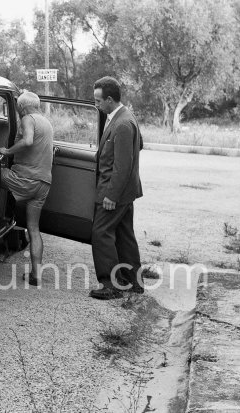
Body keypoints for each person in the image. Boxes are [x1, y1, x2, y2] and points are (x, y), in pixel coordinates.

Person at [90, 76, 143, 300]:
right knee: (124, 235)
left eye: (98, 101)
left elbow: (123, 166)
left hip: (115, 192)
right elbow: (139, 145)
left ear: (110, 100)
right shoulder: (123, 116)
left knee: (101, 233)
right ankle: (133, 282)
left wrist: (111, 195)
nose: (96, 105)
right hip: (125, 191)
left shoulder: (122, 123)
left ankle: (111, 285)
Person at [0, 91, 53, 286]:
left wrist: (7, 151)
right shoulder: (46, 122)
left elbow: (28, 140)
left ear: (22, 107)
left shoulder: (28, 118)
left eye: (19, 108)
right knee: (34, 228)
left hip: (25, 180)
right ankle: (35, 275)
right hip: (43, 183)